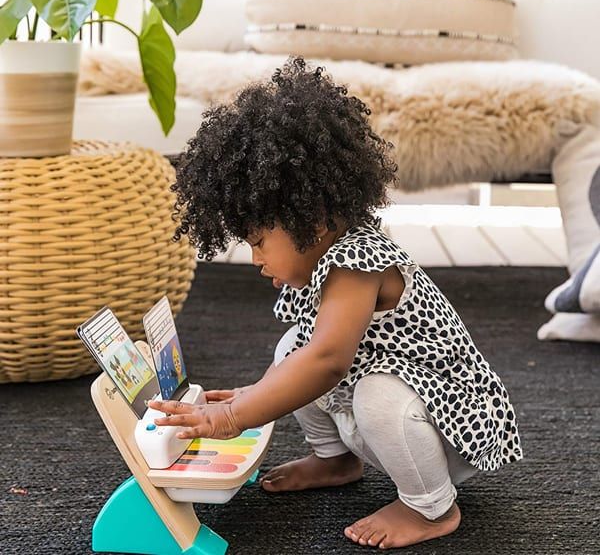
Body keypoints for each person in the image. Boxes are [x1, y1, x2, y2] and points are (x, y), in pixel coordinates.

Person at [148, 57, 522, 549]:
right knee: (292, 348)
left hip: (452, 423)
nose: (255, 258)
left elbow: (328, 362)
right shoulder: (326, 253)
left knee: (356, 385)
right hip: (402, 406)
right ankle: (336, 459)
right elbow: (310, 353)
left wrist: (233, 418)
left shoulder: (357, 262)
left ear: (315, 220)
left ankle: (432, 506)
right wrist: (249, 393)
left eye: (260, 240)